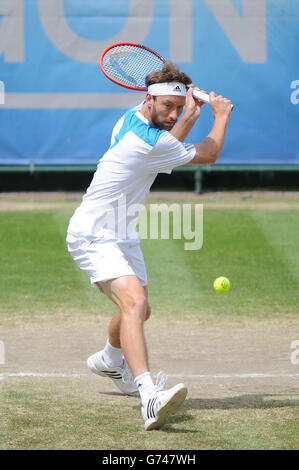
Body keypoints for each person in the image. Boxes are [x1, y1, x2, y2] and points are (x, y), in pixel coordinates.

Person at [66, 62, 232, 431]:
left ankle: (110, 360)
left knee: (140, 311)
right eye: (167, 107)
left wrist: (187, 112)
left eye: (179, 107)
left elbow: (172, 137)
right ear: (149, 99)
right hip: (93, 233)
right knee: (134, 302)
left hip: (122, 233)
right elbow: (209, 153)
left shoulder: (134, 118)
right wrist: (218, 115)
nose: (173, 115)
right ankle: (148, 398)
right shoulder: (146, 143)